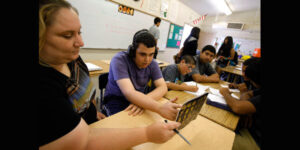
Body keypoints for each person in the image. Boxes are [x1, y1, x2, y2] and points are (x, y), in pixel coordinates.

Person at [38, 0, 181, 149]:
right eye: (68, 35)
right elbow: (83, 141)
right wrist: (147, 133)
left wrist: (93, 114)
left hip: (93, 123)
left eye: (79, 32)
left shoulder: (72, 59)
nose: (81, 42)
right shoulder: (44, 86)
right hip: (92, 126)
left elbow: (88, 97)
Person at [103, 29, 182, 120]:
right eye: (142, 54)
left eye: (151, 54)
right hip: (116, 102)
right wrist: (159, 108)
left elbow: (163, 87)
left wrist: (144, 101)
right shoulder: (119, 60)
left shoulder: (153, 63)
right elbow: (129, 92)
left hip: (139, 99)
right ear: (133, 51)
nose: (147, 60)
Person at [219, 57, 261, 150]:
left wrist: (225, 93)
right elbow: (248, 93)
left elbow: (237, 107)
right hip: (251, 129)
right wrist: (247, 108)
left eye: (252, 80)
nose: (244, 75)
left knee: (219, 137)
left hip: (256, 141)